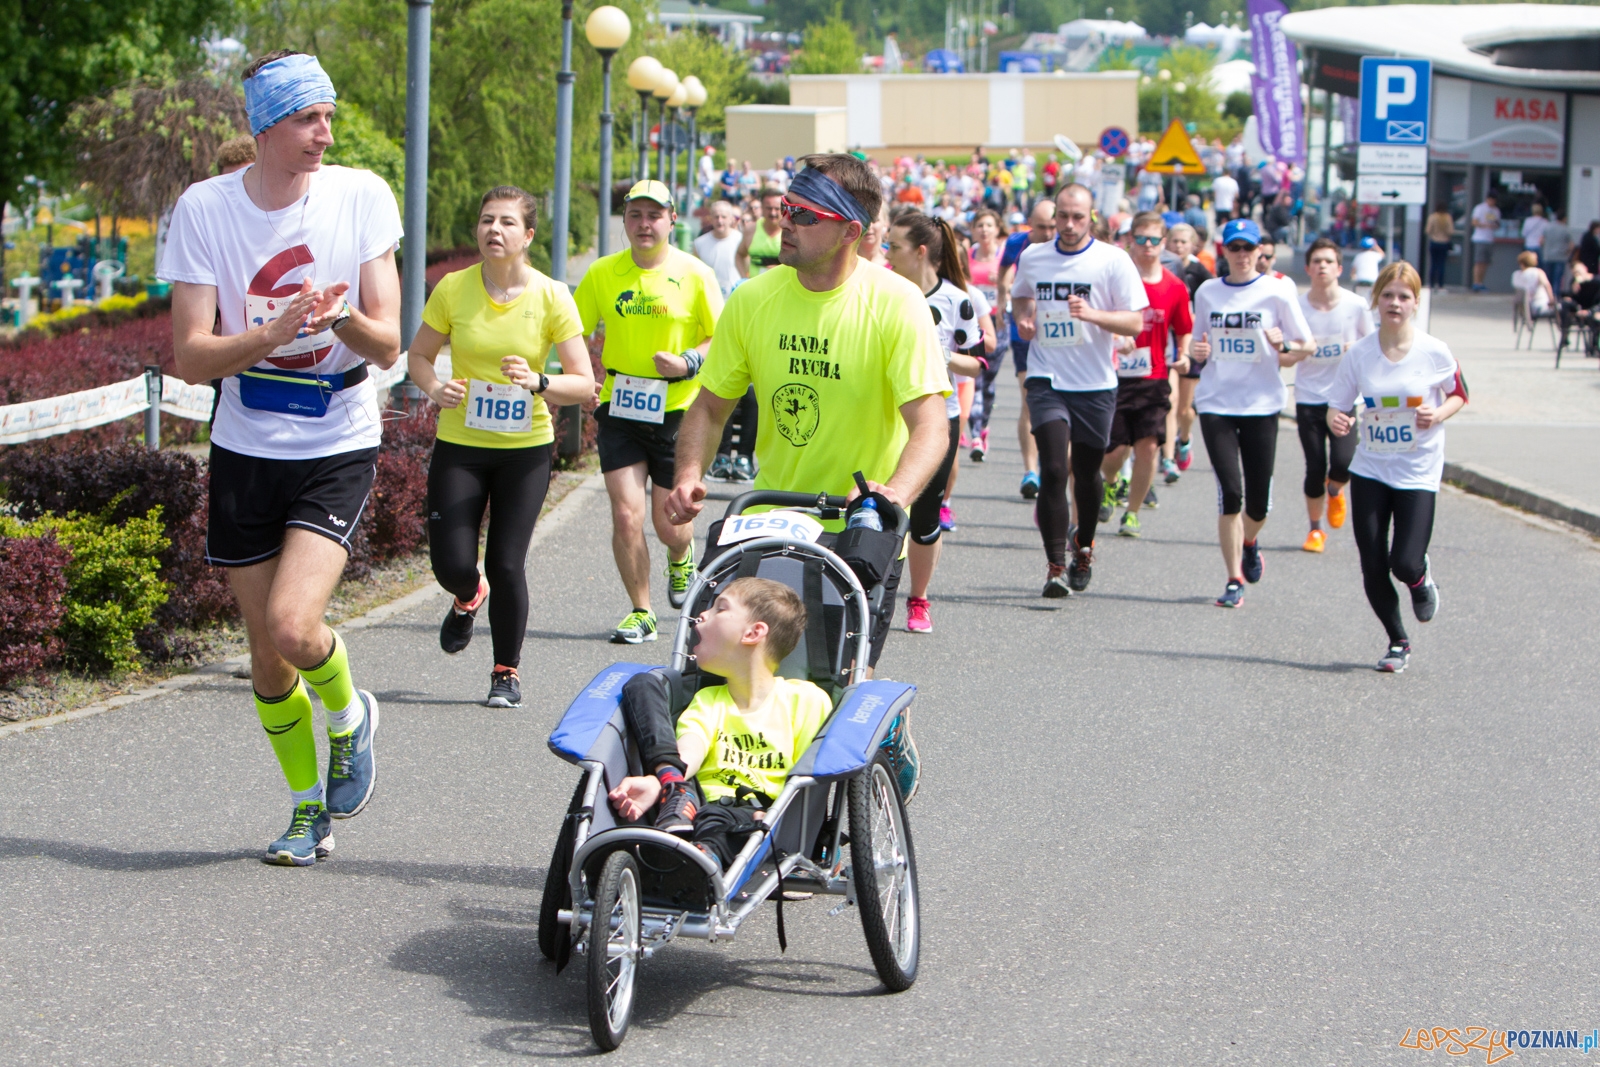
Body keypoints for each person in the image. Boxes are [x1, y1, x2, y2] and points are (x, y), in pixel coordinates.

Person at [166, 51, 400, 865]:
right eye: (308, 119)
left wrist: (334, 323)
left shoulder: (361, 195)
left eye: (329, 117)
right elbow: (191, 358)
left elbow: (389, 337)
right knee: (266, 656)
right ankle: (307, 810)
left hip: (336, 435)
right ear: (263, 127)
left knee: (295, 627)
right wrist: (268, 334)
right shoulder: (203, 210)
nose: (325, 135)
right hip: (245, 441)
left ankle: (349, 715)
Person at [667, 153, 951, 673]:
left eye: (804, 215)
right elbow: (709, 407)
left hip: (858, 532)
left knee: (836, 689)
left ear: (849, 231)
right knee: (732, 682)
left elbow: (932, 424)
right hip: (771, 524)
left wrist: (893, 496)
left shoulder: (896, 303)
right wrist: (688, 475)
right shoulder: (753, 299)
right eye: (785, 208)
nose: (784, 223)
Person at [407, 187, 596, 707]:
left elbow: (584, 383)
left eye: (508, 222)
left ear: (528, 235)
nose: (495, 230)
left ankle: (506, 671)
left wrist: (539, 381)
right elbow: (418, 356)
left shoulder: (551, 294)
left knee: (508, 562)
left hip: (524, 448)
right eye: (487, 220)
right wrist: (433, 386)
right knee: (450, 562)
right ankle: (467, 595)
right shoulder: (453, 288)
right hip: (461, 444)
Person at [574, 179, 723, 644]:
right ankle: (641, 610)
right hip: (620, 405)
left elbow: (720, 338)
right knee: (625, 514)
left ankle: (681, 558)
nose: (644, 224)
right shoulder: (602, 273)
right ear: (625, 220)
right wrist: (583, 379)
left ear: (672, 220)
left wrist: (687, 362)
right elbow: (571, 329)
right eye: (635, 215)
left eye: (654, 215)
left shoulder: (695, 273)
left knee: (670, 524)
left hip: (678, 409)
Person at [607, 578, 831, 869]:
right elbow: (690, 748)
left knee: (715, 823)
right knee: (641, 683)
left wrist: (781, 816)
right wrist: (658, 780)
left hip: (762, 817)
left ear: (753, 632)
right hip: (694, 804)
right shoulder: (709, 700)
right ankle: (672, 786)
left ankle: (694, 862)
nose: (703, 614)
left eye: (720, 609)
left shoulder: (806, 700)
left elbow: (810, 778)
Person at [1326, 262, 1466, 672]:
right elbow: (1338, 405)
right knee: (1372, 564)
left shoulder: (1434, 351)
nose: (1395, 303)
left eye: (1404, 296)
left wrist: (1438, 415)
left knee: (1403, 562)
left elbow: (1459, 394)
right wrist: (1337, 420)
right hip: (1371, 469)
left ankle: (1420, 580)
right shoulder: (1360, 354)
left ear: (1416, 304)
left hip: (1418, 471)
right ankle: (1397, 641)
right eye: (1388, 295)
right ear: (1377, 300)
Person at [1010, 183, 1147, 596]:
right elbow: (1020, 299)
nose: (1068, 226)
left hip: (1094, 383)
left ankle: (1083, 547)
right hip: (1047, 377)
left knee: (1086, 474)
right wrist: (1024, 320)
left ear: (1092, 219)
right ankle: (1054, 567)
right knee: (1053, 469)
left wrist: (1093, 315)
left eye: (1077, 218)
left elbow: (1135, 324)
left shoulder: (1113, 260)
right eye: (1061, 218)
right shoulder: (1034, 256)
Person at [1188, 218, 1315, 608]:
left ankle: (1250, 540)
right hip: (1216, 402)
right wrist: (1197, 353)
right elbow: (1197, 342)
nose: (1242, 256)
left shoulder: (1276, 292)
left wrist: (1284, 343)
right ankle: (1232, 580)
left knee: (1257, 502)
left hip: (1262, 403)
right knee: (1231, 493)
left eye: (1249, 248)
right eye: (1234, 248)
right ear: (1223, 252)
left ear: (1260, 251)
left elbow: (1306, 346)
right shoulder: (1209, 291)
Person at [886, 211, 988, 633]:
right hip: (884, 417)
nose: (888, 255)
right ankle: (872, 590)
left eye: (895, 247)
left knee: (925, 517)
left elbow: (979, 363)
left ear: (920, 252)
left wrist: (940, 356)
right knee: (882, 506)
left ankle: (919, 599)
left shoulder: (957, 300)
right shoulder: (882, 292)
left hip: (936, 419)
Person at [1100, 211, 1191, 539]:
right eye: (1142, 239)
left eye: (1155, 239)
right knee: (1113, 451)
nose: (1148, 245)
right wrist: (1115, 339)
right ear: (1130, 241)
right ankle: (1110, 483)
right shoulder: (1116, 279)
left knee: (1148, 446)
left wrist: (1183, 356)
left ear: (1163, 243)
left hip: (1154, 377)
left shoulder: (1175, 286)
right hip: (1115, 376)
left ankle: (1133, 513)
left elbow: (1183, 329)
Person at [1294, 238, 1373, 554]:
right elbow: (1286, 347)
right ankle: (1315, 530)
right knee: (1314, 466)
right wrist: (1302, 348)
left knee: (1343, 461)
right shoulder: (1297, 306)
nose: (1322, 266)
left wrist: (1355, 350)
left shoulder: (1356, 305)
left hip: (1344, 398)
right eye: (1317, 261)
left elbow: (1372, 345)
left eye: (1328, 261)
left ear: (1340, 268)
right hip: (1308, 396)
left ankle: (1336, 490)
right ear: (1308, 268)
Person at [998, 198, 1056, 499]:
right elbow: (1004, 271)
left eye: (1052, 227)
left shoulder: (1068, 248)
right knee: (1029, 400)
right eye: (1041, 227)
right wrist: (1002, 301)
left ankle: (1055, 466)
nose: (1048, 233)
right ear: (1029, 225)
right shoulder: (1019, 244)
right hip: (1026, 332)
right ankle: (1031, 470)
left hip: (1062, 339)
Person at [1164, 222, 1212, 482]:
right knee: (1169, 402)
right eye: (1175, 241)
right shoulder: (1163, 268)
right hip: (1168, 339)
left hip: (1191, 340)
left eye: (1184, 242)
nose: (1179, 246)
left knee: (1185, 409)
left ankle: (1184, 439)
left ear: (1193, 245)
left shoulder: (1198, 271)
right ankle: (1168, 457)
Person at [965, 209, 1007, 461]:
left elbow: (1017, 286)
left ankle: (983, 425)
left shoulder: (1004, 256)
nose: (984, 230)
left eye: (989, 225)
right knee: (976, 378)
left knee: (988, 382)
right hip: (973, 322)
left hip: (997, 323)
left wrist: (1003, 283)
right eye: (979, 225)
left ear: (997, 228)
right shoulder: (968, 255)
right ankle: (975, 435)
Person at [693, 199, 745, 298]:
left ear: (731, 219)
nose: (720, 221)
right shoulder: (699, 243)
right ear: (711, 218)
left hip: (735, 299)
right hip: (709, 298)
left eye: (724, 217)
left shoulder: (741, 240)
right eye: (716, 217)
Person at [736, 187, 784, 277]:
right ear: (762, 207)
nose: (773, 213)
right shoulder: (751, 229)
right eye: (769, 208)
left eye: (777, 209)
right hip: (756, 288)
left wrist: (782, 269)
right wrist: (743, 278)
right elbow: (739, 254)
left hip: (782, 287)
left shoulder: (790, 230)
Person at [1470, 193, 1501, 291]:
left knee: (1485, 263)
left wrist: (1493, 225)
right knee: (1479, 261)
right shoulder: (1480, 208)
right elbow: (1474, 222)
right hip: (1480, 238)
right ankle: (1476, 282)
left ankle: (1481, 282)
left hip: (1489, 238)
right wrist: (1484, 225)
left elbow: (1497, 223)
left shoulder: (1496, 210)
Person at [1511, 250, 1556, 317]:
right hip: (1540, 306)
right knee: (1564, 305)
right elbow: (1547, 285)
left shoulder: (1516, 275)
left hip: (1524, 308)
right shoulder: (1538, 272)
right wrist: (1551, 300)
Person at [1541, 209, 1573, 296]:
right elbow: (1571, 245)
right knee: (1557, 280)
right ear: (1564, 219)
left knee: (1548, 279)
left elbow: (1541, 241)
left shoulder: (1547, 227)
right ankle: (1555, 297)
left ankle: (1547, 296)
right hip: (1560, 257)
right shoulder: (1565, 229)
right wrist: (1567, 252)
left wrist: (1546, 248)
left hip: (1548, 256)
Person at [1424, 204, 1454, 291]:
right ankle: (1440, 284)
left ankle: (1432, 284)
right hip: (1444, 242)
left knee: (1433, 263)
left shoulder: (1432, 217)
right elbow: (1451, 231)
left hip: (1434, 242)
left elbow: (1428, 230)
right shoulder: (1447, 218)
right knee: (1441, 264)